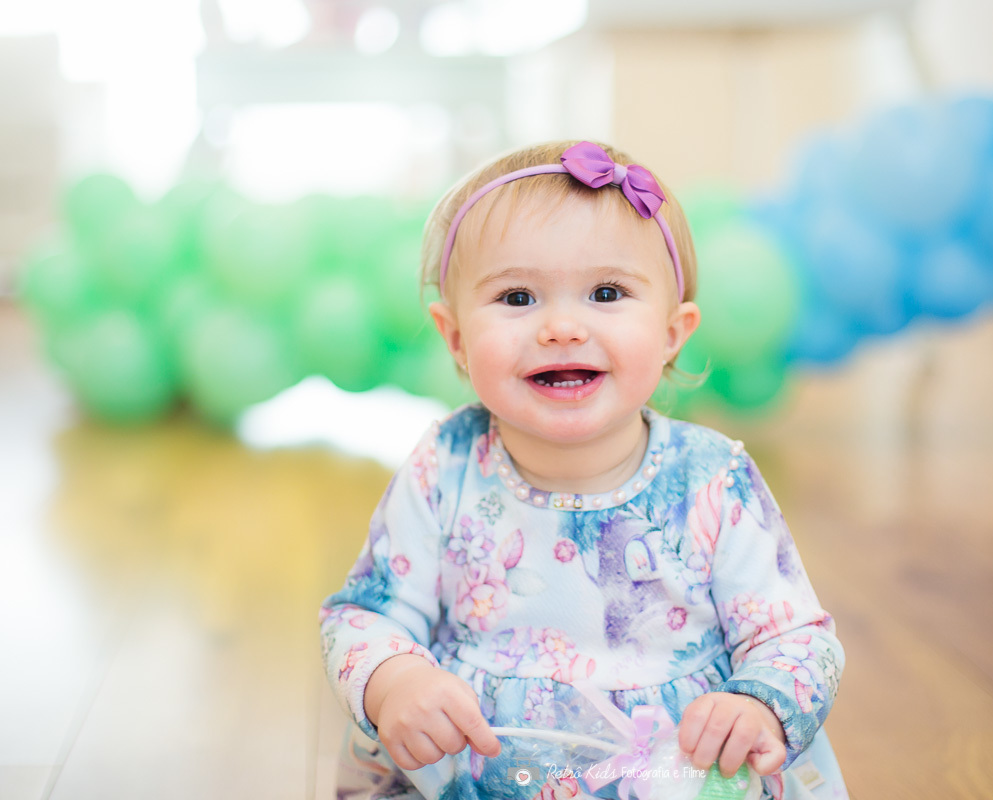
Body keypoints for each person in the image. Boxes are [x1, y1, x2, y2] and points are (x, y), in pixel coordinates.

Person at [320, 140, 846, 800]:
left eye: (606, 293)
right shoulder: (444, 468)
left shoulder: (712, 481)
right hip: (479, 771)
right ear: (454, 338)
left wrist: (760, 705)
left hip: (674, 773)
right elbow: (364, 614)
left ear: (672, 332)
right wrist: (395, 680)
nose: (562, 327)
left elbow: (795, 636)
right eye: (517, 297)